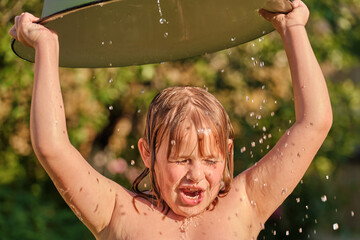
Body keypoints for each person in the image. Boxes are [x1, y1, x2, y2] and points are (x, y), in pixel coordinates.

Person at [9, 0, 332, 239]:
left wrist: (293, 29)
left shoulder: (246, 201)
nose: (197, 174)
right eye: (181, 159)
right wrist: (46, 46)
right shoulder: (118, 211)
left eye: (210, 160)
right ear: (147, 154)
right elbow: (52, 147)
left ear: (228, 154)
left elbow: (314, 123)